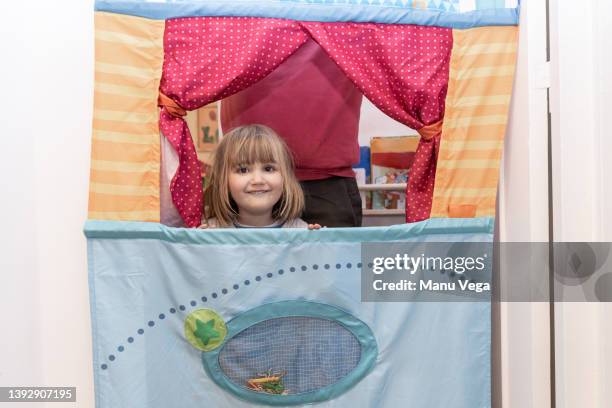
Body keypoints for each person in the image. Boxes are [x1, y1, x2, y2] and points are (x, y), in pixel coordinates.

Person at [221, 39, 363, 227]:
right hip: (243, 177)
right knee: (232, 255)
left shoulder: (347, 19)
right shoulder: (237, 18)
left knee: (332, 256)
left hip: (325, 181)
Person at [199, 125, 320, 229]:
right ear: (223, 180)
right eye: (243, 170)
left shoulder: (299, 232)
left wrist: (317, 244)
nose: (257, 180)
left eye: (268, 169)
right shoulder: (211, 233)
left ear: (286, 179)